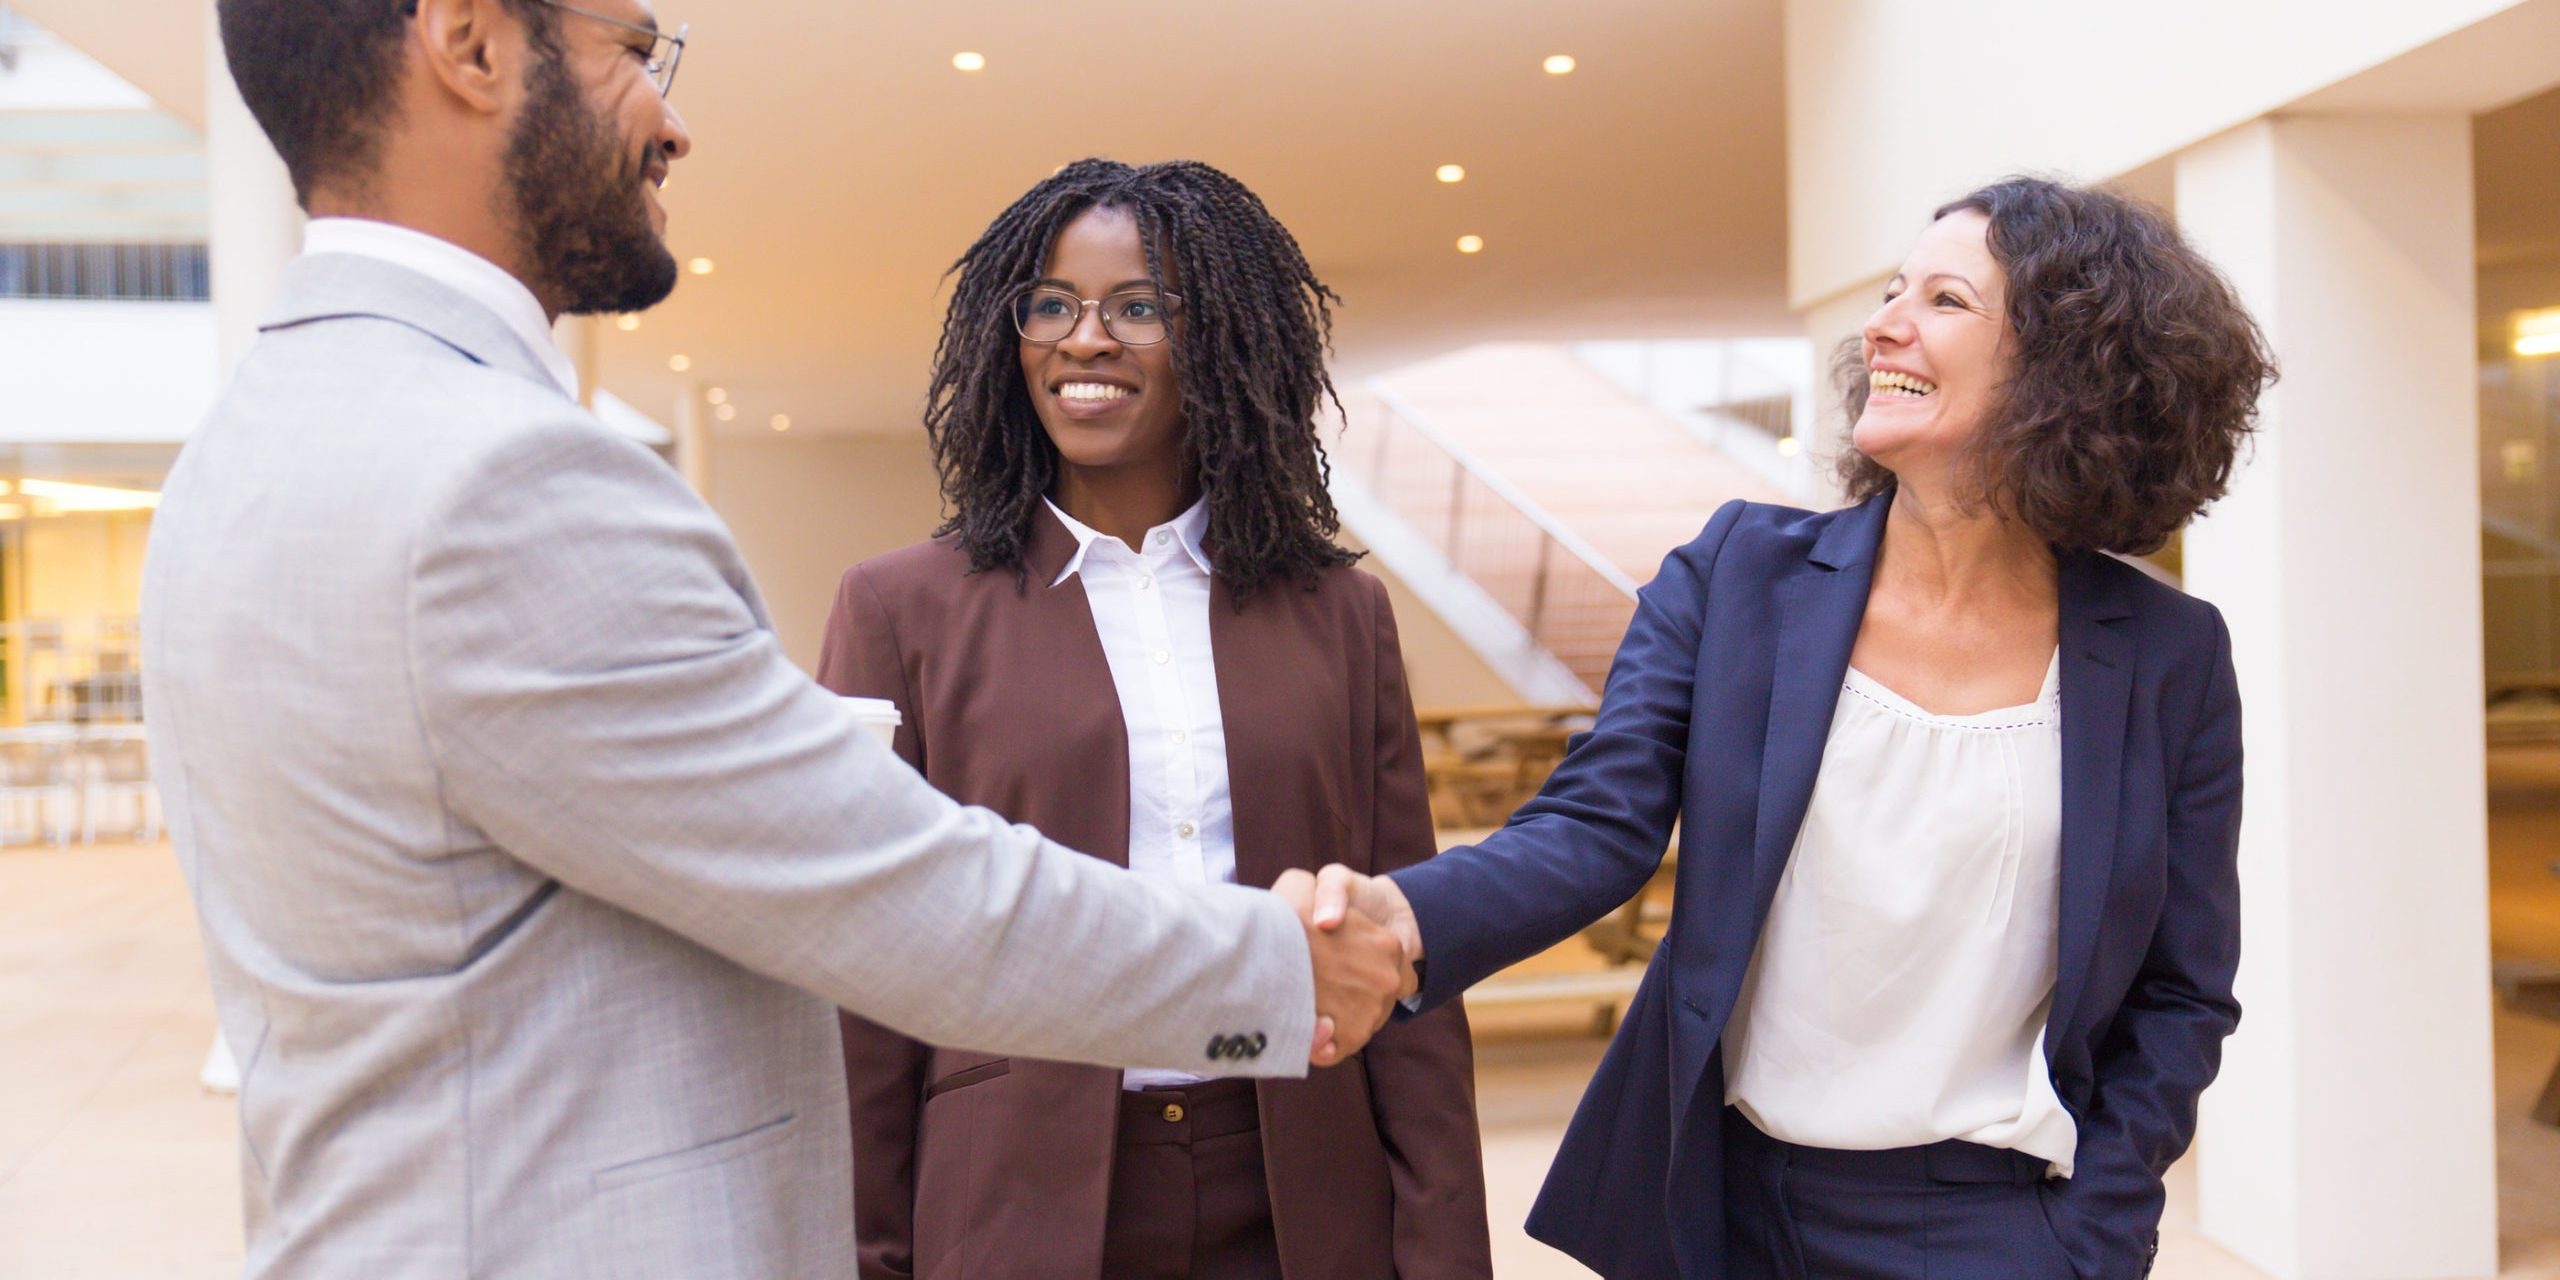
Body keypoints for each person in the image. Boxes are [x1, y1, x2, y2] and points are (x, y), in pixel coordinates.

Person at [145, 4, 1411, 1275]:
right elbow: (907, 897)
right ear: (471, 43)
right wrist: (1284, 972)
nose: (671, 120)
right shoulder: (504, 480)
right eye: (635, 51)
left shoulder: (241, 453)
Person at [1311, 177, 2274, 1278]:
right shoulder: (1738, 575)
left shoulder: (2166, 653)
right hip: (1723, 1203)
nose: (1883, 323)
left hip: (1994, 1223)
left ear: (2070, 365)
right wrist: (1399, 922)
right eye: (1890, 291)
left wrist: (2094, 1234)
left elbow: (2181, 987)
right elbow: (1593, 824)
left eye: (1945, 299)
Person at [820, 159, 1491, 1280]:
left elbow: (1402, 951)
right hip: (1017, 1198)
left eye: (1139, 307)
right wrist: (862, 1251)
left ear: (1223, 342)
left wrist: (1440, 1248)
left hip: (1300, 1191)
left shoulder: (1340, 613)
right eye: (1051, 306)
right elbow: (864, 964)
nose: (1085, 339)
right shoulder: (900, 607)